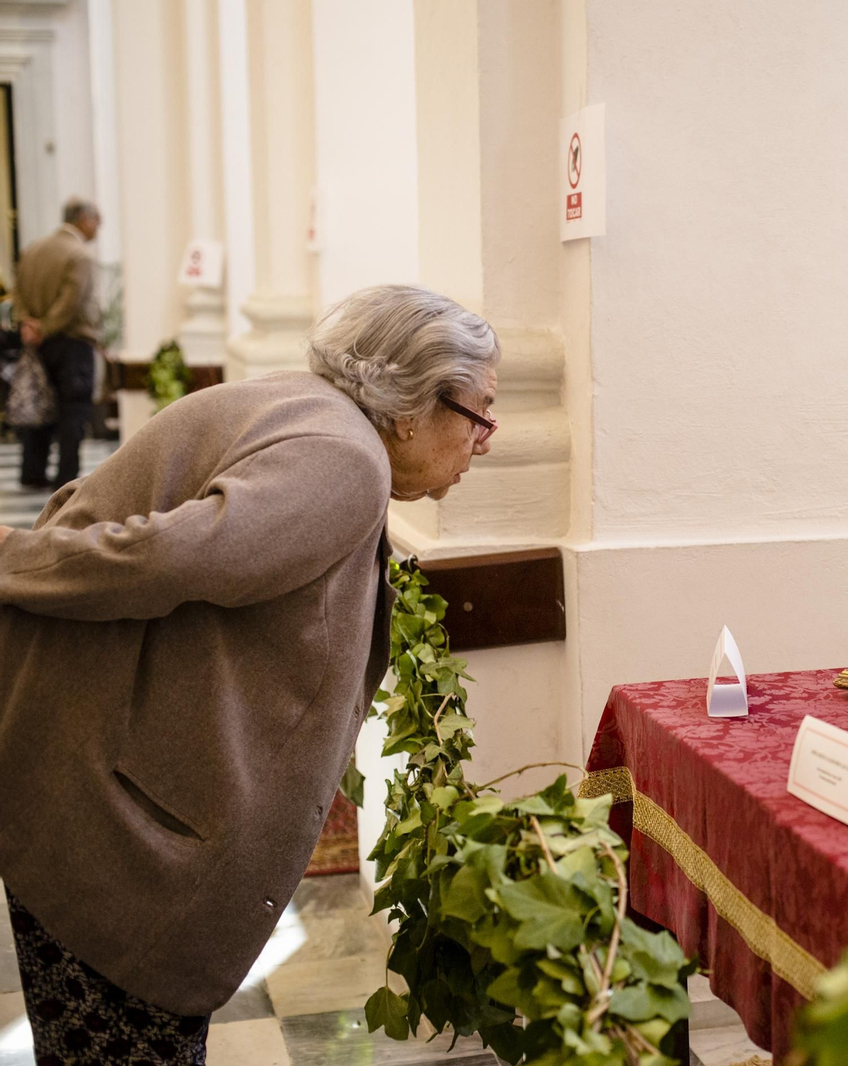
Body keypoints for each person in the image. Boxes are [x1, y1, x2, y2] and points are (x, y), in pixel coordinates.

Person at [0, 284, 499, 1063]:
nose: (489, 440)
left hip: (84, 790)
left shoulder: (305, 410)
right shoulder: (343, 458)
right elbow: (167, 555)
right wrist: (10, 559)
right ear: (412, 405)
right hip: (118, 841)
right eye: (481, 414)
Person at [14, 197, 103, 489]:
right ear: (84, 219)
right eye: (97, 221)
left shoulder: (33, 250)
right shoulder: (79, 255)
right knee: (73, 410)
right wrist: (47, 327)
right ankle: (66, 477)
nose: (98, 228)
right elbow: (71, 301)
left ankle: (32, 472)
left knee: (39, 404)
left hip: (37, 343)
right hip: (73, 344)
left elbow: (19, 294)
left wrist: (29, 324)